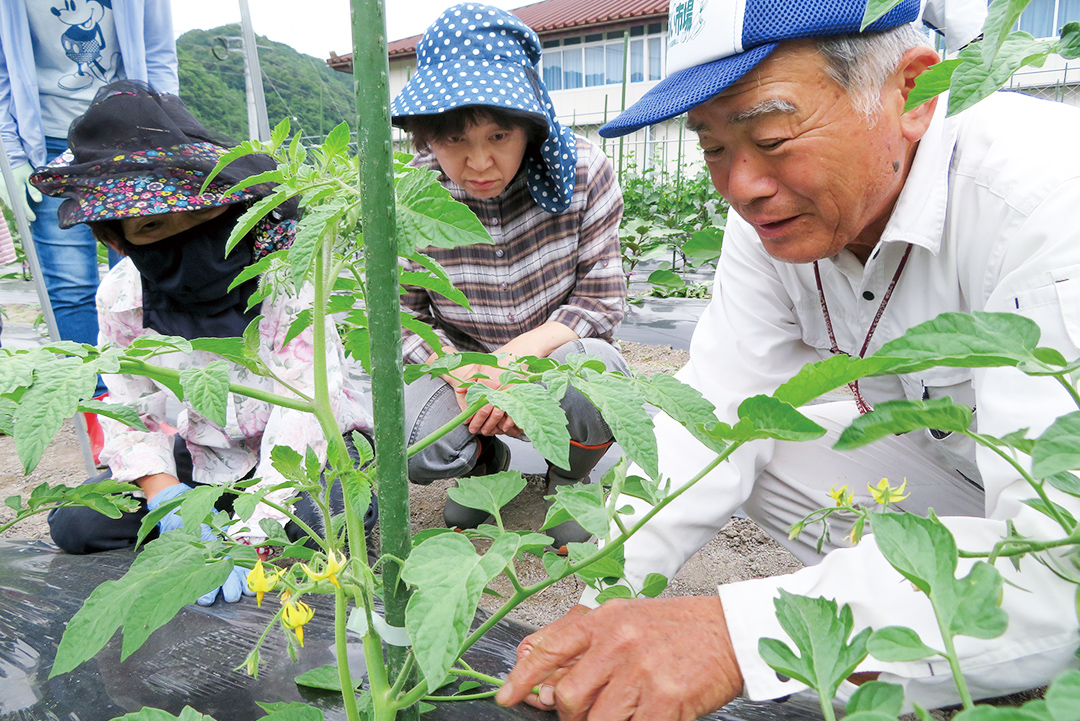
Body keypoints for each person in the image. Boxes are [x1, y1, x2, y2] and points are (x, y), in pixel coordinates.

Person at [494, 0, 1080, 718]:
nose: (741, 187)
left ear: (913, 92)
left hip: (1059, 513)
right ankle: (955, 638)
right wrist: (601, 607)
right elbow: (712, 414)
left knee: (1053, 587)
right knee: (744, 444)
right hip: (969, 477)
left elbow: (1064, 551)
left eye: (771, 136)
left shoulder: (1046, 200)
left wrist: (737, 635)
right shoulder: (774, 215)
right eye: (712, 147)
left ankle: (996, 647)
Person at [31, 82, 375, 606]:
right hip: (204, 454)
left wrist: (245, 541)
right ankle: (202, 512)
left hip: (308, 451)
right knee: (76, 524)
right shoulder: (123, 298)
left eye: (202, 212)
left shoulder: (284, 272)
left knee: (318, 514)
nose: (188, 234)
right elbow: (131, 408)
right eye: (154, 225)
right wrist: (166, 496)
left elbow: (306, 409)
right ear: (114, 238)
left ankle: (229, 523)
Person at [389, 4, 628, 551]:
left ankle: (569, 479)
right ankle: (486, 468)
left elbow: (599, 300)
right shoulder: (410, 198)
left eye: (499, 136)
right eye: (454, 141)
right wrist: (465, 373)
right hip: (465, 369)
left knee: (598, 376)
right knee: (412, 441)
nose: (479, 164)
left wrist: (514, 362)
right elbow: (404, 318)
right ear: (428, 138)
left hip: (558, 356)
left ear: (529, 124)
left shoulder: (583, 171)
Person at [0, 0, 177, 353]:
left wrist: (166, 134)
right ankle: (92, 396)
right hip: (45, 141)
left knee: (143, 270)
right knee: (68, 283)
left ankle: (147, 390)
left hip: (129, 132)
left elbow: (158, 54)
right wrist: (10, 156)